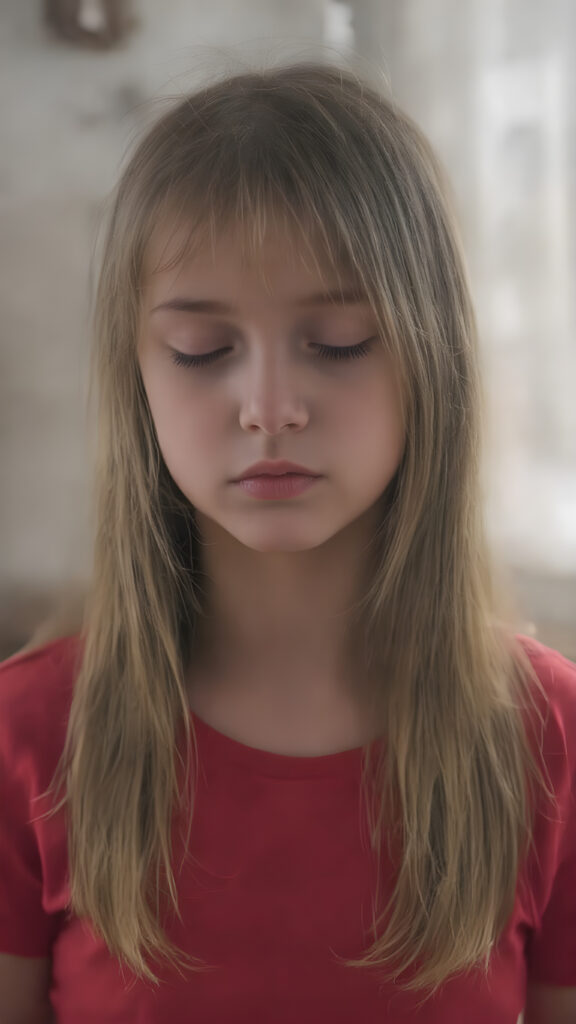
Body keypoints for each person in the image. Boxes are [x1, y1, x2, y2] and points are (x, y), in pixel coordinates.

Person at [0, 61, 574, 1024]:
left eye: (340, 341)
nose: (270, 409)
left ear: (433, 360)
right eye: (202, 351)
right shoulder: (28, 740)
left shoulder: (551, 740)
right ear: (137, 373)